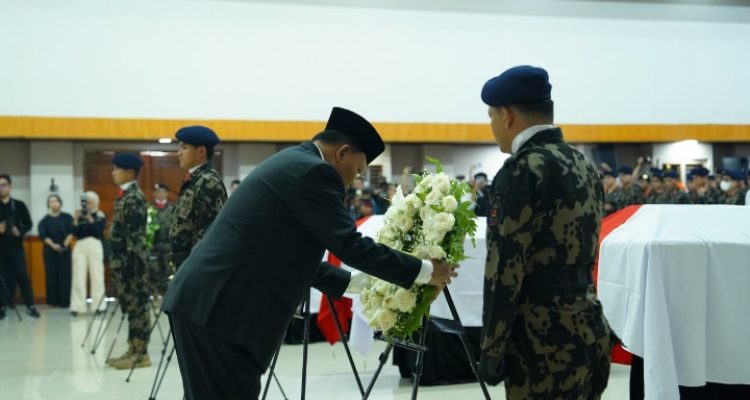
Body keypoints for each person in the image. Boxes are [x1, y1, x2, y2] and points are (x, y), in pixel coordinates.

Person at [162, 107, 458, 399]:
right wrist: (425, 271)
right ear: (342, 153)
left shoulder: (294, 161)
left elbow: (281, 252)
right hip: (220, 312)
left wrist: (356, 283)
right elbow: (350, 244)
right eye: (356, 171)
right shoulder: (315, 171)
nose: (351, 183)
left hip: (209, 305)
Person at [478, 66, 612, 399]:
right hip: (588, 324)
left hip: (541, 342)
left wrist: (491, 348)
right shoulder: (583, 164)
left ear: (507, 115)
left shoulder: (522, 170)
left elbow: (504, 269)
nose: (492, 126)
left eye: (491, 116)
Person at [106, 153, 151, 370]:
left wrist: (129, 265)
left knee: (138, 308)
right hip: (124, 261)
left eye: (117, 169)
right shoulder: (125, 195)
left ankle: (141, 354)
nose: (113, 173)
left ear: (130, 172)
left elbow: (134, 237)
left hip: (131, 263)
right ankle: (133, 349)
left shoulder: (133, 198)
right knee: (131, 308)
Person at [169, 126, 227, 270]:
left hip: (196, 265)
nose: (179, 153)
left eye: (184, 148)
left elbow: (209, 234)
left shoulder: (208, 182)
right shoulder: (195, 180)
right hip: (185, 262)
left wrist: (197, 268)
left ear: (201, 151)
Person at [0, 174, 40, 318]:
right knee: (1, 279)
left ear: (9, 186)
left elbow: (29, 223)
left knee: (22, 276)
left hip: (16, 247)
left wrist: (19, 231)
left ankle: (30, 306)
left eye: (3, 185)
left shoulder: (19, 205)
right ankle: (2, 307)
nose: (1, 188)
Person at [70, 191, 107, 316]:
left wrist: (89, 218)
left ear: (96, 202)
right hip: (80, 244)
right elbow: (74, 232)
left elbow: (98, 229)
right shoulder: (79, 214)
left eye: (90, 202)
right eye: (86, 202)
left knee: (97, 276)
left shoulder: (99, 214)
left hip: (95, 243)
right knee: (78, 276)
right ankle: (77, 306)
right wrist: (76, 219)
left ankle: (99, 306)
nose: (87, 204)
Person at [38, 194, 74, 307]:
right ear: (48, 204)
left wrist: (64, 244)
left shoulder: (67, 217)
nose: (54, 203)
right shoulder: (44, 220)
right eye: (51, 201)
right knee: (51, 276)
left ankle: (65, 301)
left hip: (65, 250)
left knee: (65, 275)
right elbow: (43, 235)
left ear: (60, 203)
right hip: (50, 250)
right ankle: (53, 301)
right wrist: (53, 245)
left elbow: (71, 231)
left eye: (56, 201)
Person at [149, 183, 174, 297]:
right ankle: (155, 297)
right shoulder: (149, 208)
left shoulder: (173, 208)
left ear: (167, 193)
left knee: (169, 273)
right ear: (154, 194)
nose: (161, 194)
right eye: (158, 192)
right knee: (154, 272)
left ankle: (169, 297)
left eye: (163, 191)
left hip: (168, 246)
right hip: (153, 246)